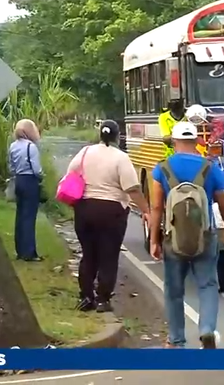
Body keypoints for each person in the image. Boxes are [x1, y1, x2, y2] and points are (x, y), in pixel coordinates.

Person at [148, 121, 224, 349]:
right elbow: (223, 202)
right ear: (197, 141)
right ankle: (206, 329)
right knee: (207, 285)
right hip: (205, 236)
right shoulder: (210, 167)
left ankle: (177, 340)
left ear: (175, 141)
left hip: (173, 237)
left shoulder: (163, 168)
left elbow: (156, 207)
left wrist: (153, 240)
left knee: (174, 290)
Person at [67, 120, 151, 313]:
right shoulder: (121, 158)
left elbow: (71, 173)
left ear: (100, 135)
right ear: (116, 136)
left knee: (88, 254)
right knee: (108, 255)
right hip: (111, 212)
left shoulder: (85, 152)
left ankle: (86, 296)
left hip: (85, 209)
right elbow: (132, 188)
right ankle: (103, 299)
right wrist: (146, 210)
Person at [8, 119, 44, 262]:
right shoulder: (31, 147)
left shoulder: (13, 146)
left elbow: (11, 167)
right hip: (30, 181)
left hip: (18, 180)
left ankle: (20, 250)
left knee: (20, 215)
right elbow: (36, 169)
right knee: (29, 217)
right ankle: (29, 252)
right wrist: (41, 176)